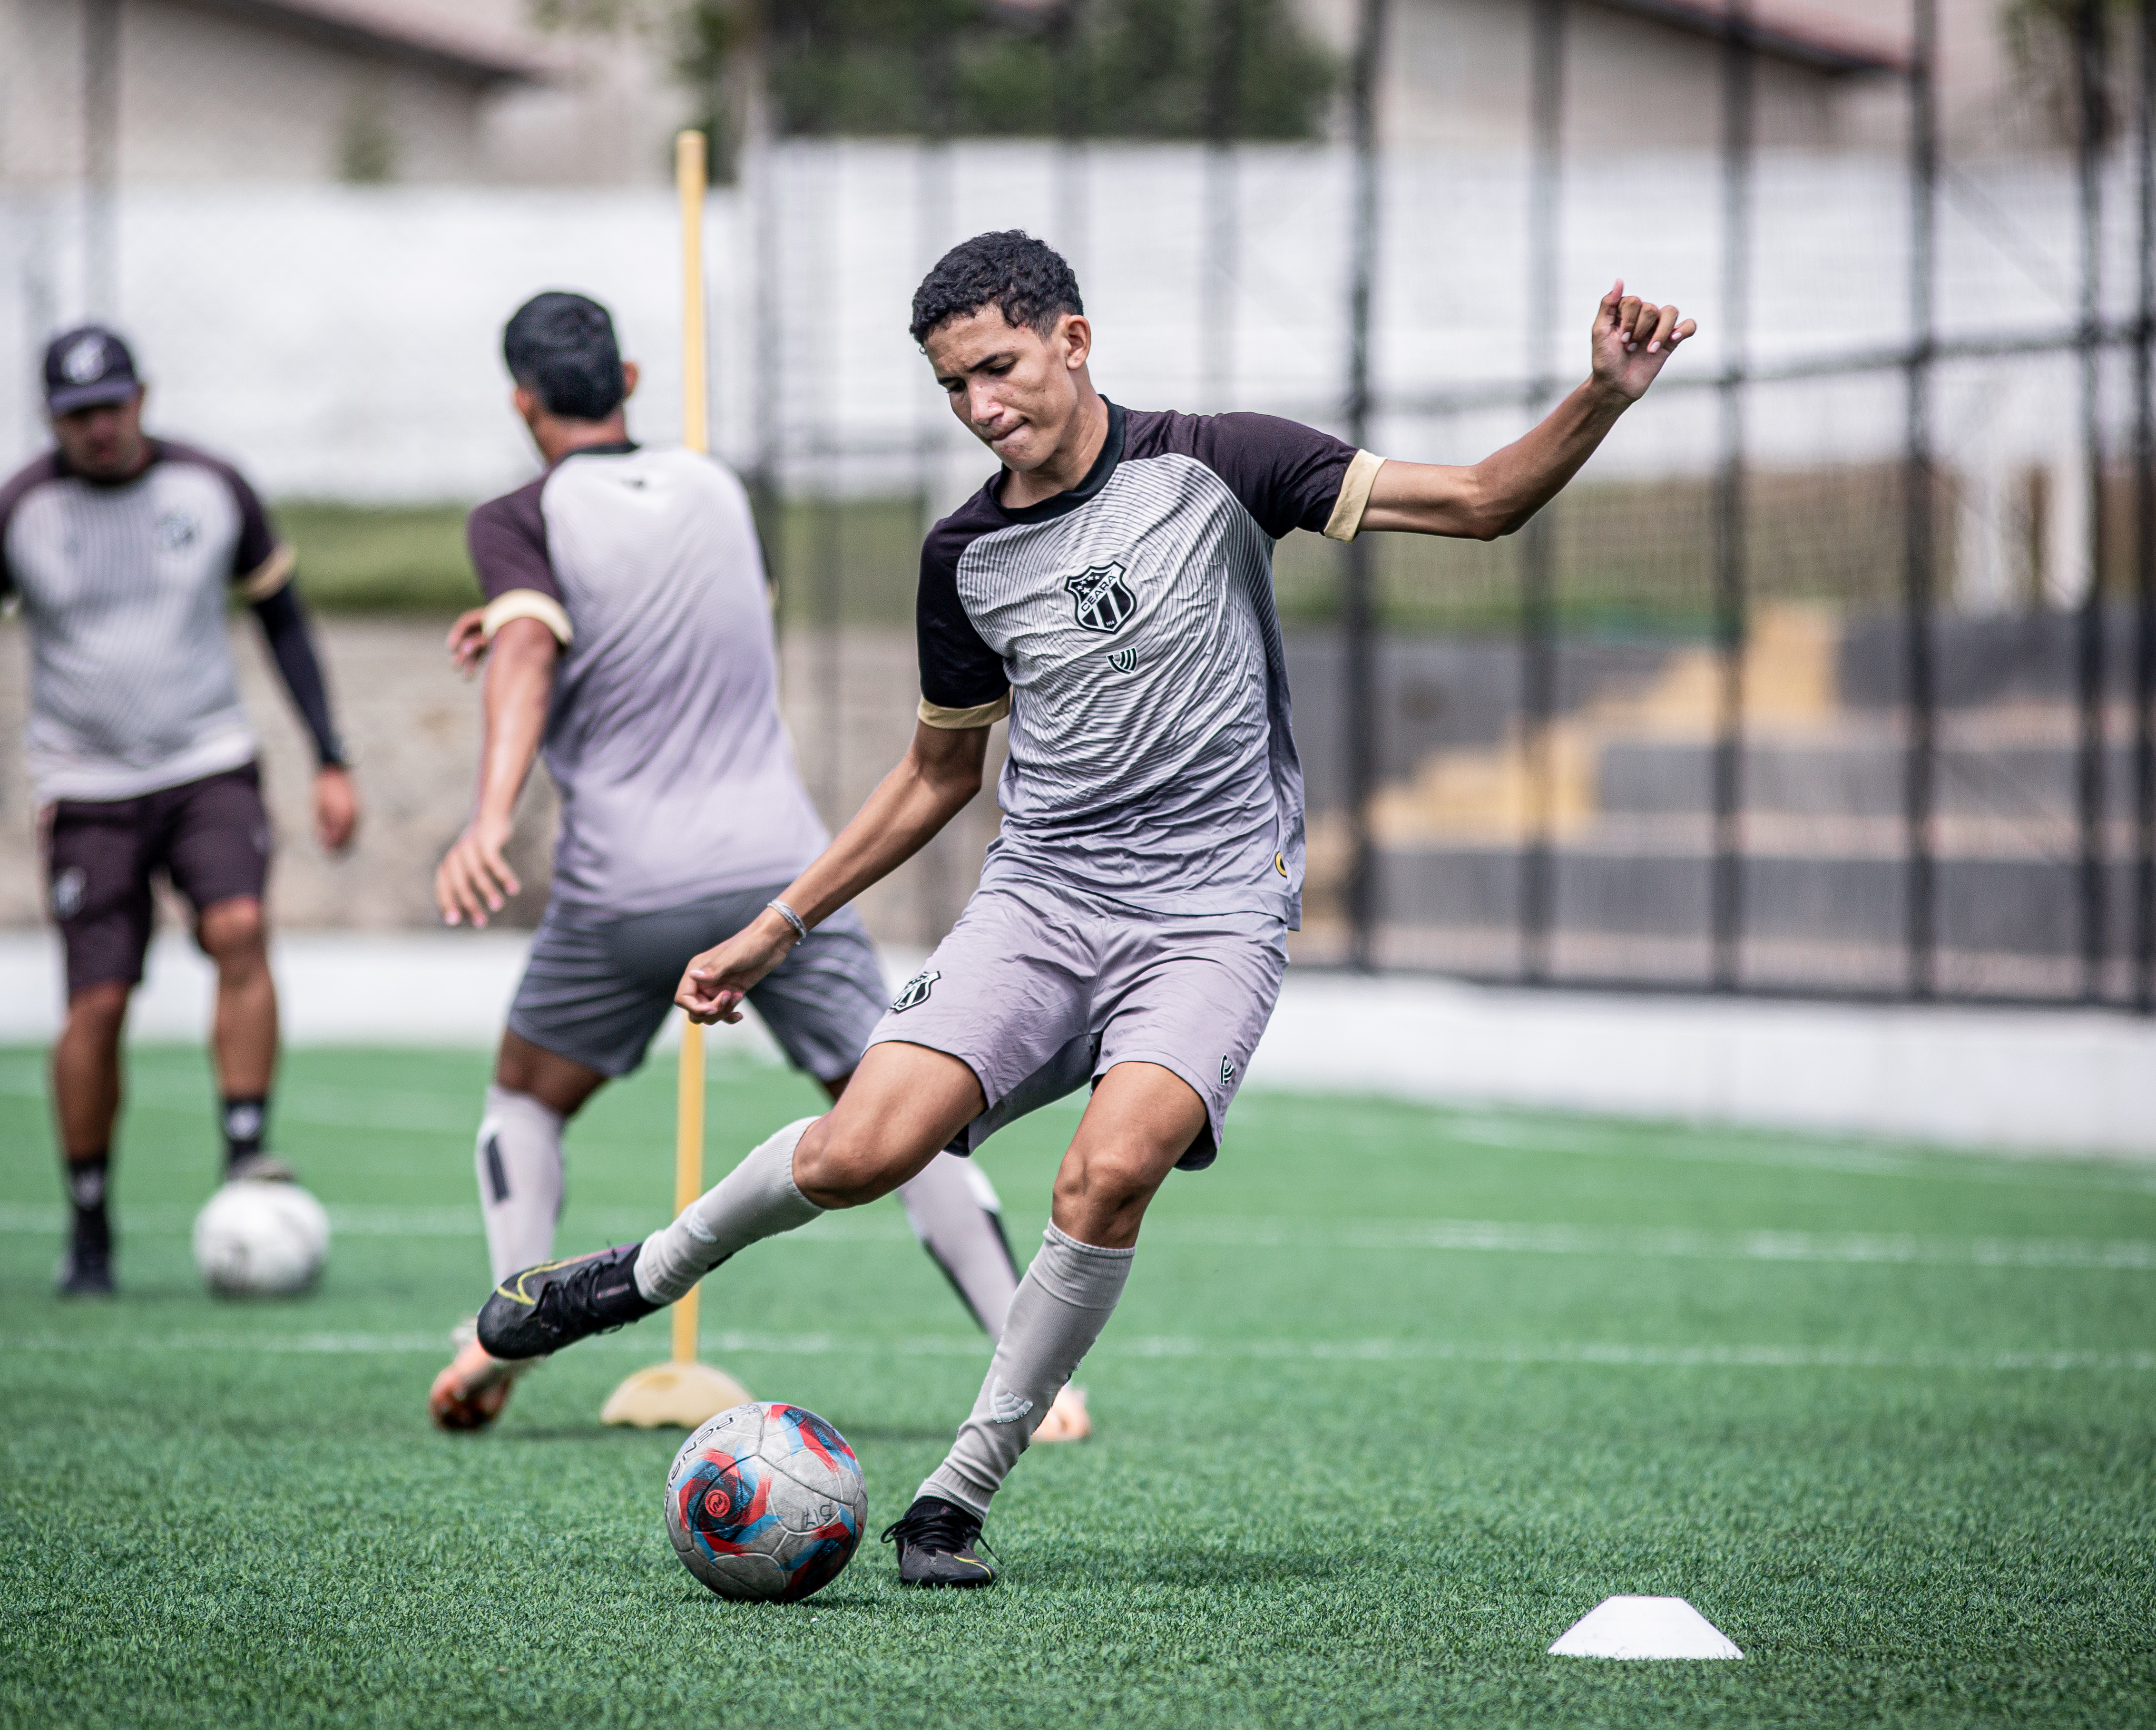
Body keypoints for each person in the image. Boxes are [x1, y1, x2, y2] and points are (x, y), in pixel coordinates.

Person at [471, 234, 1695, 1584]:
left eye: (999, 366)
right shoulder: (963, 555)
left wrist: (1604, 394)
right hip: (1044, 897)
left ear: (1074, 339)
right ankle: (633, 1276)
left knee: (1110, 1169)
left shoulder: (1222, 461)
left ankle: (955, 1495)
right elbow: (940, 774)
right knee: (859, 1152)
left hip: (1215, 912)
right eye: (953, 387)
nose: (984, 405)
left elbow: (1478, 502)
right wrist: (781, 922)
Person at [422, 291, 1089, 1440]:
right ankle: (1039, 1381)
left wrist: (489, 814)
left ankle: (505, 1333)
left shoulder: (516, 520)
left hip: (621, 886)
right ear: (628, 380)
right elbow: (696, 622)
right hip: (784, 874)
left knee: (526, 1096)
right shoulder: (723, 491)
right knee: (894, 1110)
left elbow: (533, 647)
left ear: (523, 401)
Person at [0, 323, 360, 1297]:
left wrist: (330, 758)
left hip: (210, 764)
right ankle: (88, 1223)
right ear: (51, 420)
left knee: (239, 928)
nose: (99, 428)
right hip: (86, 789)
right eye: (78, 415)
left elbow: (283, 620)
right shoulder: (14, 517)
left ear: (143, 398)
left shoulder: (213, 489)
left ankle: (246, 1152)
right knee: (99, 1002)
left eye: (112, 407)